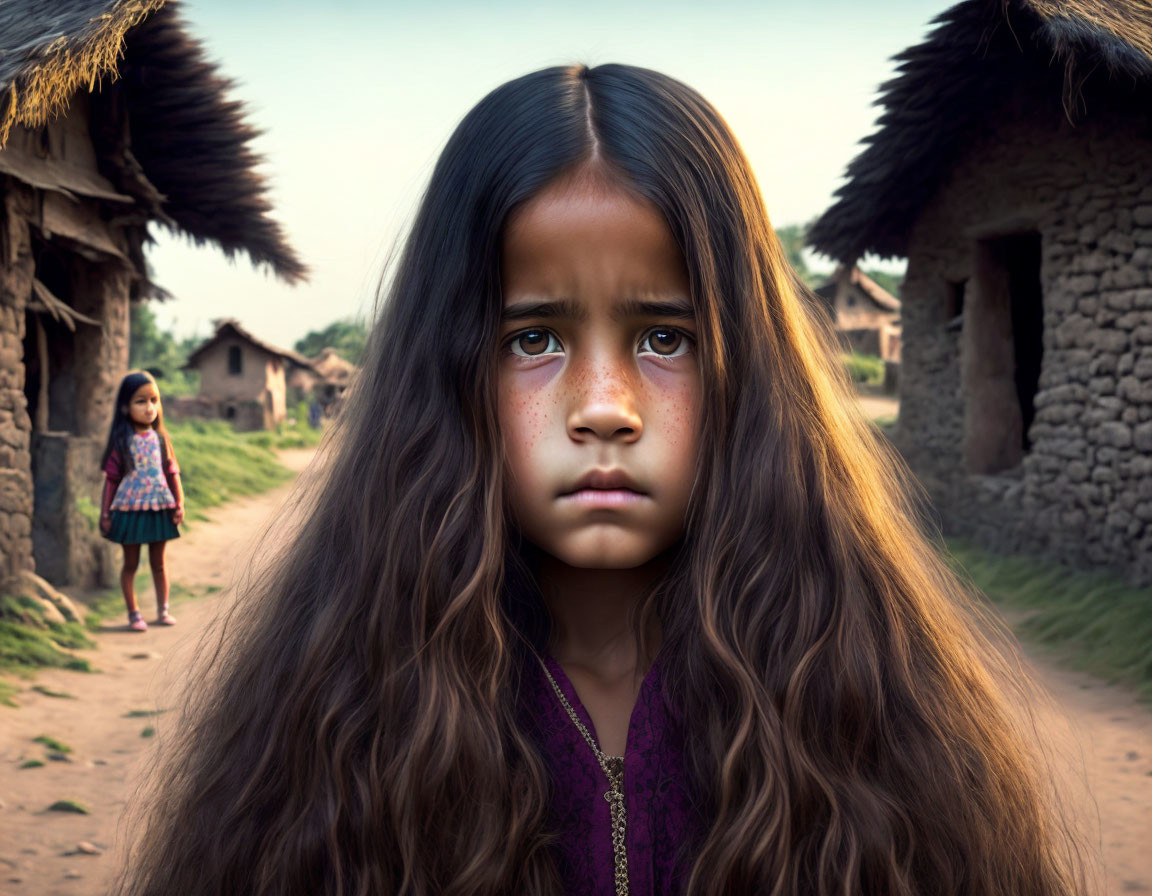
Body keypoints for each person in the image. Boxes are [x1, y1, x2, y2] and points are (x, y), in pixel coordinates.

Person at [117, 64, 1087, 895]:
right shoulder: (324, 727)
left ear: (746, 366)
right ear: (447, 368)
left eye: (664, 336)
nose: (605, 405)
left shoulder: (883, 710)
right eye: (533, 337)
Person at [99, 370, 184, 632]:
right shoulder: (122, 443)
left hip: (159, 506)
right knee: (131, 564)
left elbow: (172, 473)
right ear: (125, 406)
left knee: (159, 563)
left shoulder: (161, 440)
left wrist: (179, 503)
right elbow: (111, 481)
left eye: (154, 400)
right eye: (141, 401)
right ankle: (134, 613)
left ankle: (163, 609)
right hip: (130, 508)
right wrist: (105, 514)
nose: (150, 408)